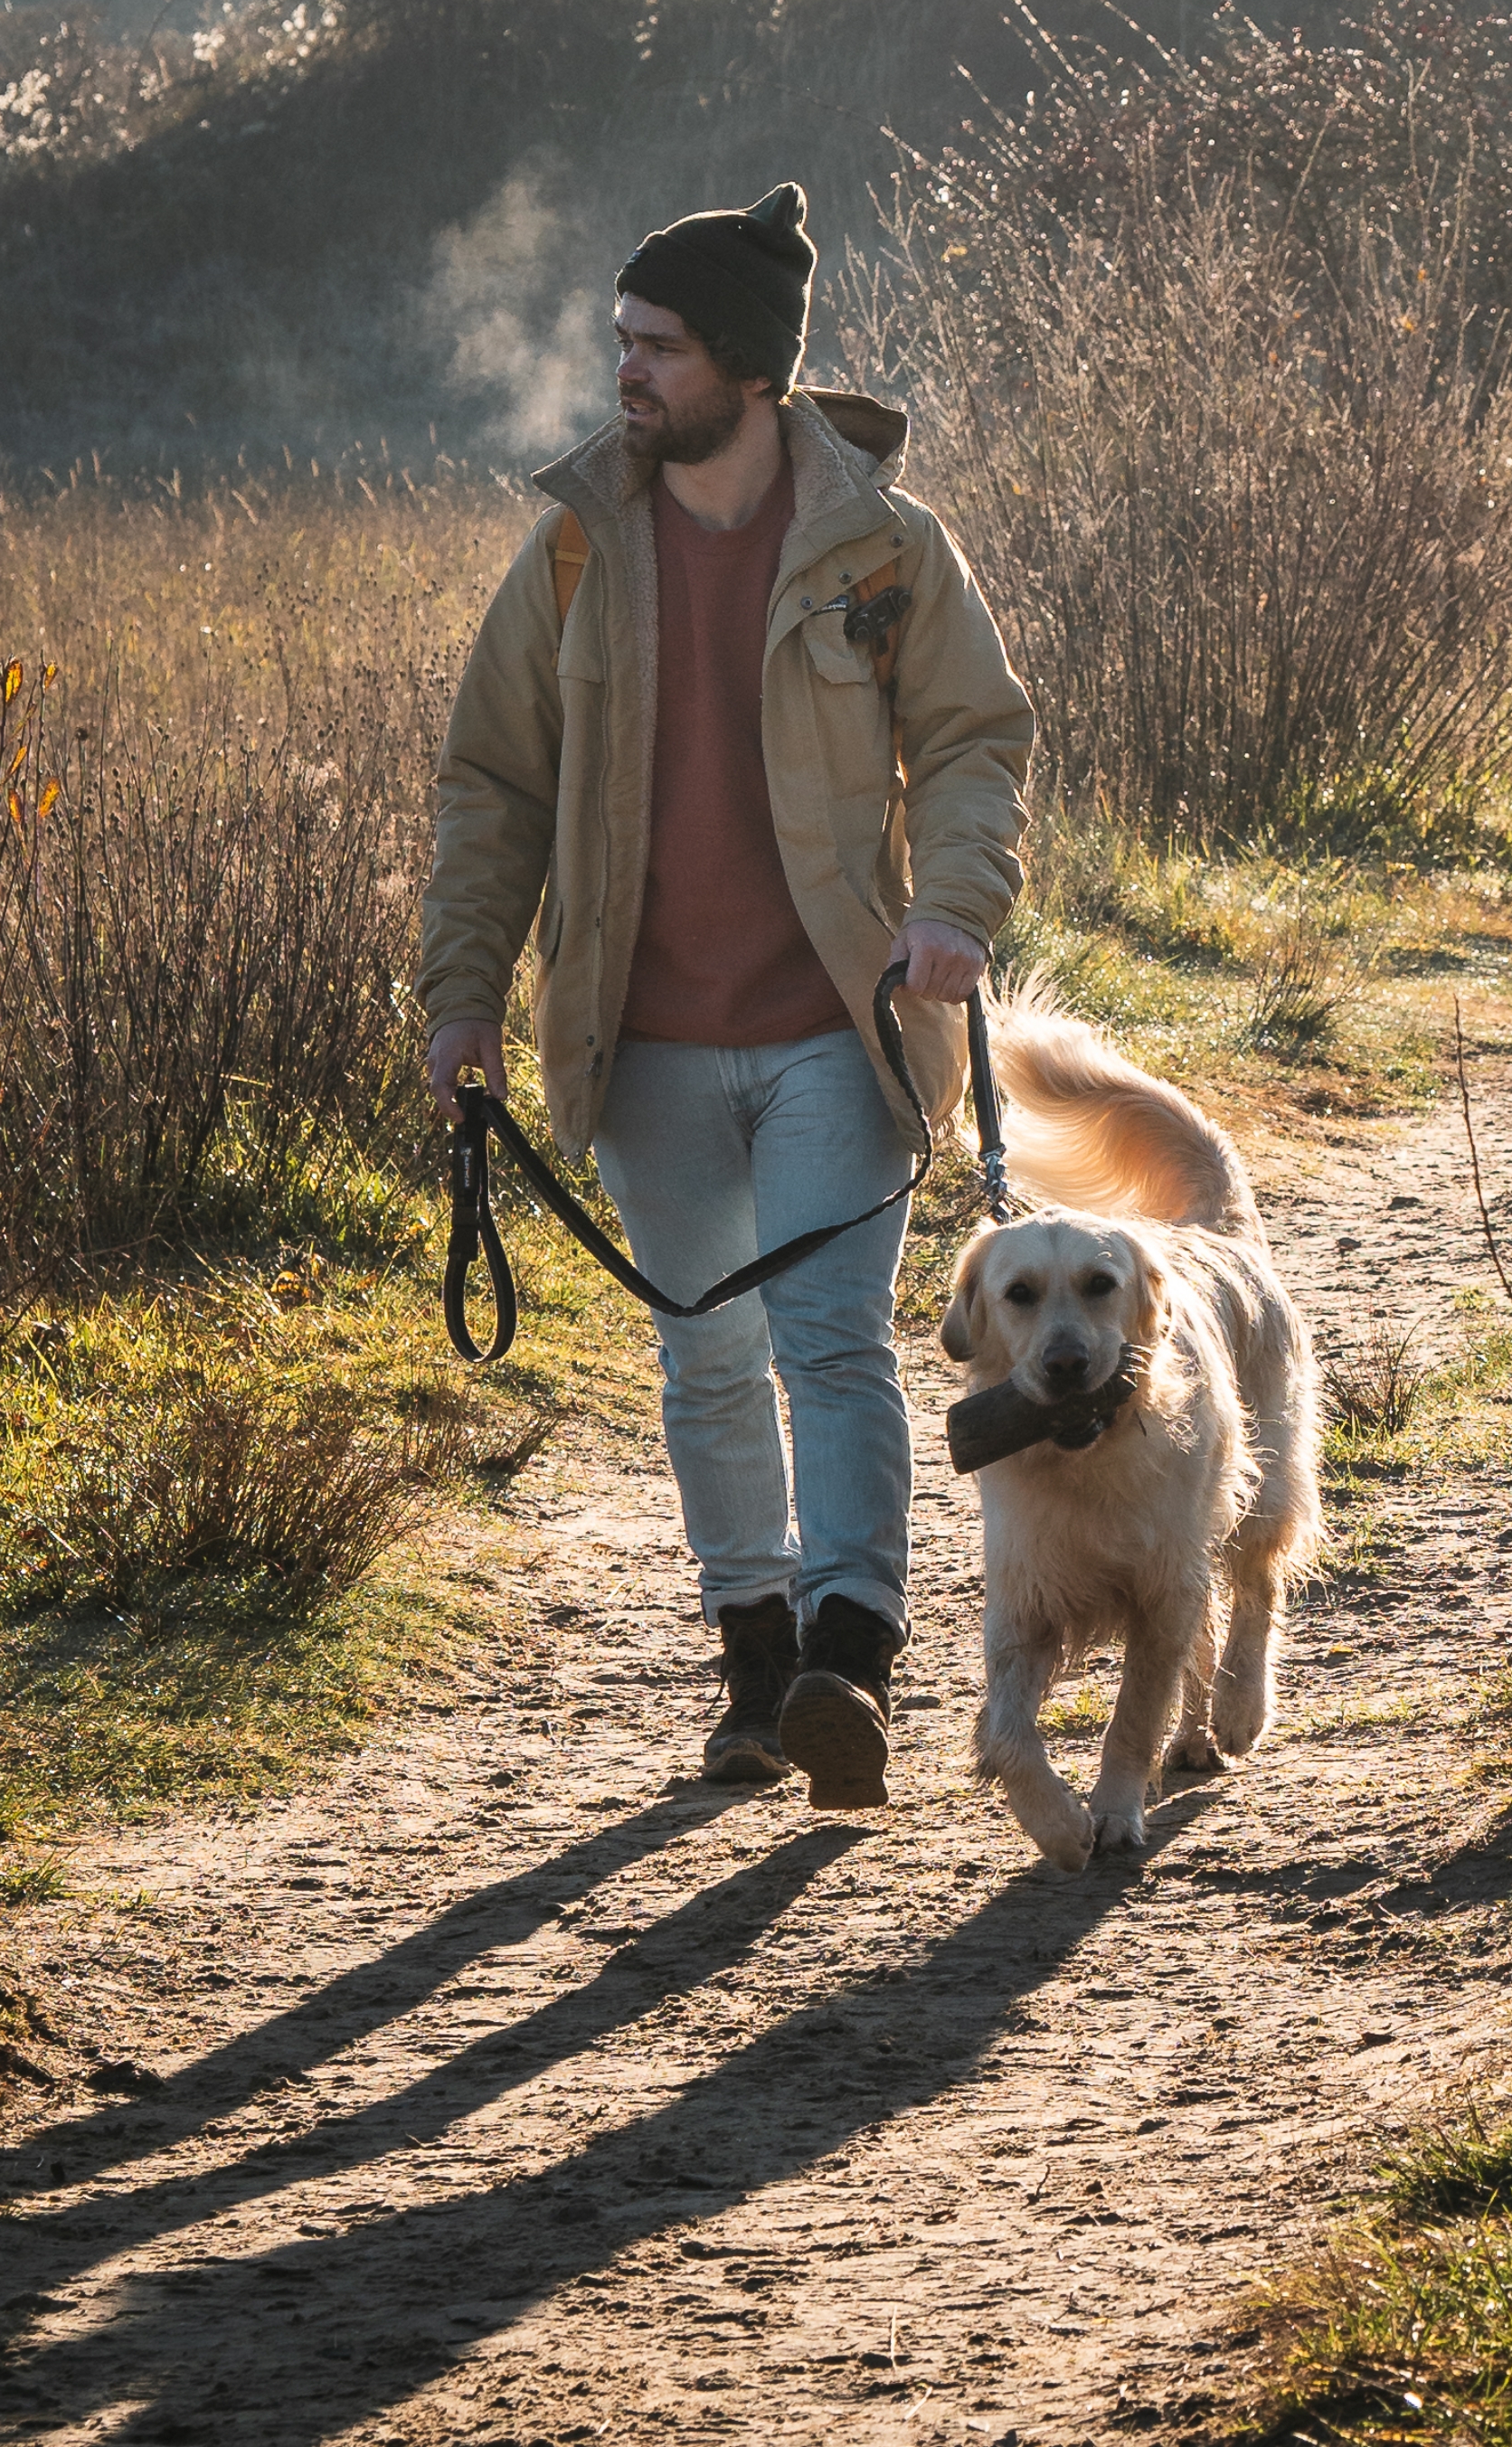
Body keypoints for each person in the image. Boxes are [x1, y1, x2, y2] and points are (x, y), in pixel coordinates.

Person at [418, 183, 1033, 1807]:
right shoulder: (573, 552)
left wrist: (954, 909)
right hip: (643, 1039)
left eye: (660, 346)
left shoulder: (885, 546)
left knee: (830, 1341)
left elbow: (974, 740)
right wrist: (463, 995)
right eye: (620, 339)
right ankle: (756, 1665)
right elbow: (492, 784)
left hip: (840, 1021)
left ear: (751, 369)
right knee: (704, 1357)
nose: (626, 370)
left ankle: (852, 1657)